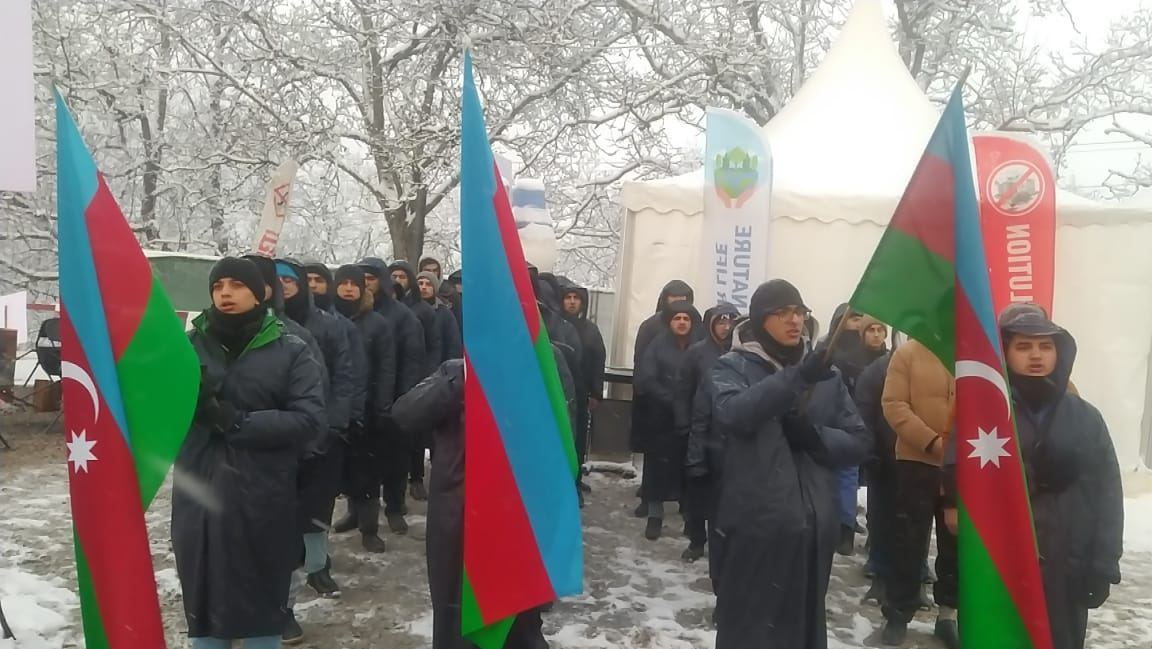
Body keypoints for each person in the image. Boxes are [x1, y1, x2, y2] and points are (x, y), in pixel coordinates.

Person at [942, 309, 1121, 649]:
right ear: (1006, 351)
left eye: (1046, 346)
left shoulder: (1085, 418)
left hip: (1065, 566)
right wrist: (1031, 476)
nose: (1036, 355)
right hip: (999, 569)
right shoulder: (983, 412)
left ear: (1060, 352)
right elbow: (959, 481)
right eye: (1024, 346)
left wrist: (1104, 564)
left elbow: (1108, 493)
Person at [173, 257, 325, 649]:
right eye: (218, 285)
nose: (225, 292)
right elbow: (156, 411)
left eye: (237, 285)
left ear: (260, 293)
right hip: (198, 494)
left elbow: (308, 419)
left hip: (262, 494)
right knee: (202, 605)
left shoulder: (291, 347)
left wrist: (233, 421)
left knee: (260, 605)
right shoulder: (185, 347)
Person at [710, 279, 871, 649]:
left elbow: (860, 441)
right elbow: (734, 414)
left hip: (813, 530)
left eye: (799, 312)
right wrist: (797, 379)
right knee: (749, 631)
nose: (794, 320)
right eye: (782, 313)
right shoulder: (731, 367)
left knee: (803, 633)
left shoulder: (826, 375)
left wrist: (816, 438)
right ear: (759, 319)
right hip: (755, 526)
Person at [392, 360, 551, 649]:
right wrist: (460, 380)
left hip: (515, 523)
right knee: (458, 622)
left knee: (517, 625)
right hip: (458, 522)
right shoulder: (455, 371)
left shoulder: (539, 363)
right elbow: (405, 413)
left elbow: (559, 442)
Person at [276, 259, 356, 640]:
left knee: (316, 508)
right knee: (279, 519)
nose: (287, 286)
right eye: (278, 280)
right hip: (275, 438)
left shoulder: (329, 325)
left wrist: (334, 425)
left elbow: (345, 377)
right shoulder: (262, 328)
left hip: (321, 434)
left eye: (293, 281)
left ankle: (318, 566)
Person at [878, 337, 957, 647]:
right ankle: (898, 612)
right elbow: (894, 405)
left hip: (963, 465)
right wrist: (933, 443)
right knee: (908, 541)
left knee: (956, 541)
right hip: (917, 461)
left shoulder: (972, 352)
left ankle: (948, 614)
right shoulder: (908, 353)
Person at [328, 265, 398, 554]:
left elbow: (386, 368)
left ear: (362, 289)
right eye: (342, 283)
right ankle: (352, 514)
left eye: (353, 284)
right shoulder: (328, 320)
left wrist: (382, 406)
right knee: (343, 470)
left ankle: (369, 528)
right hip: (337, 408)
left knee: (366, 471)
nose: (347, 288)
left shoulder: (378, 324)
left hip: (368, 409)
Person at [357, 256, 425, 534]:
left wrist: (402, 400)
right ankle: (358, 512)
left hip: (395, 400)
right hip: (362, 400)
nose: (365, 285)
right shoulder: (353, 314)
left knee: (395, 461)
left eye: (370, 278)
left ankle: (395, 508)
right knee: (361, 463)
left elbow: (412, 361)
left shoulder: (402, 316)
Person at [631, 280, 701, 516]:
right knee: (655, 459)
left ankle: (684, 503)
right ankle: (651, 504)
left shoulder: (698, 338)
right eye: (674, 297)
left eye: (684, 299)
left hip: (688, 412)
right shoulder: (652, 328)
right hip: (657, 406)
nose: (681, 320)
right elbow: (642, 365)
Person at [679, 303, 738, 564]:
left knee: (723, 495)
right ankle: (695, 540)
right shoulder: (697, 354)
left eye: (730, 322)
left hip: (729, 434)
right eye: (720, 322)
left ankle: (720, 541)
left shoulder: (740, 354)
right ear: (711, 324)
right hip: (698, 428)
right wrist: (683, 424)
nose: (726, 327)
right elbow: (682, 392)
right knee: (696, 491)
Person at [851, 319, 897, 605]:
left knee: (915, 524)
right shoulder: (876, 371)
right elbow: (864, 415)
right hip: (884, 456)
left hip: (924, 459)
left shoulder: (940, 366)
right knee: (881, 519)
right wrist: (869, 452)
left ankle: (915, 575)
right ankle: (879, 574)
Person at [408, 270, 463, 501]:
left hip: (439, 378)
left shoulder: (445, 314)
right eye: (419, 283)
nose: (423, 287)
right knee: (417, 434)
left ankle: (441, 475)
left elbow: (452, 346)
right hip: (416, 378)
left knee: (440, 434)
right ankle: (416, 478)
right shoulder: (410, 311)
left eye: (427, 283)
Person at [557, 278, 607, 495]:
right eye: (568, 298)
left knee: (578, 440)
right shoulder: (555, 327)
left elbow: (598, 361)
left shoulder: (591, 330)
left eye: (576, 298)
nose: (572, 302)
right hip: (558, 392)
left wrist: (595, 392)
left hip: (581, 392)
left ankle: (575, 482)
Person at [390, 260, 443, 377]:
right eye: (394, 276)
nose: (397, 280)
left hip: (415, 373)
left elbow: (434, 347)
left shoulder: (424, 309)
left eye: (402, 277)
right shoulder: (382, 306)